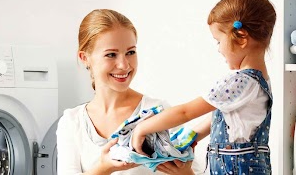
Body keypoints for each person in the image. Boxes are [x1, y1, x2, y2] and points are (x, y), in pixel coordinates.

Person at [130, 0, 277, 174]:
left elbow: (185, 112)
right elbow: (225, 118)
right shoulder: (261, 81)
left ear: (241, 37)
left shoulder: (238, 81)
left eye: (218, 41)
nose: (218, 49)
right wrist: (191, 137)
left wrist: (142, 128)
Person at [56, 9, 194, 175]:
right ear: (85, 58)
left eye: (130, 52)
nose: (124, 65)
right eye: (111, 55)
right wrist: (105, 168)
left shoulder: (157, 111)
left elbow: (194, 171)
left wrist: (185, 172)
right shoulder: (72, 122)